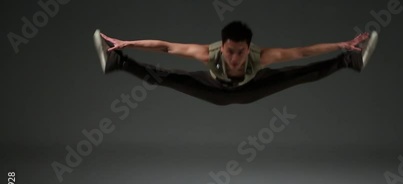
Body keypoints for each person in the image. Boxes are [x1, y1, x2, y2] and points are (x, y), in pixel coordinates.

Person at [93, 21, 378, 106]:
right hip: (213, 89)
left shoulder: (262, 57)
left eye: (240, 52)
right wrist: (128, 44)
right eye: (230, 51)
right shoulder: (208, 53)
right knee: (166, 76)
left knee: (298, 73)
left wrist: (342, 45)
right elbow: (166, 47)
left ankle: (350, 59)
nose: (234, 57)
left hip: (251, 89)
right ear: (223, 46)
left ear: (248, 48)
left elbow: (303, 52)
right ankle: (117, 60)